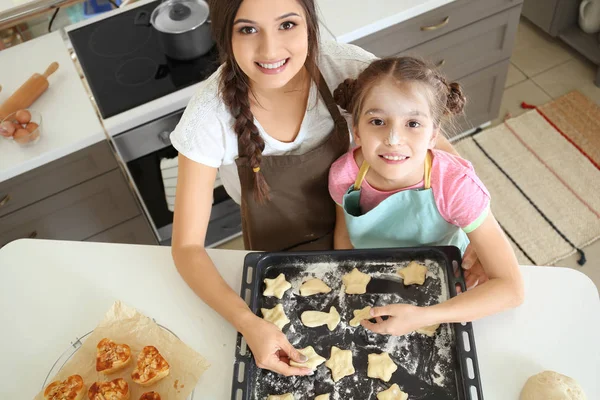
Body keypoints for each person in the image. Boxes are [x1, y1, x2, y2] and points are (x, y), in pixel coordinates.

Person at [169, 0, 482, 376]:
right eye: (248, 29)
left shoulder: (345, 69)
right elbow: (187, 248)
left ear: (310, 23)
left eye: (287, 24)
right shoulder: (208, 116)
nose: (270, 50)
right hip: (281, 247)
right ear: (225, 35)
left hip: (366, 231)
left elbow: (435, 150)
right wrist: (249, 323)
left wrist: (476, 231)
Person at [328, 56, 524, 335]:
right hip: (376, 284)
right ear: (357, 131)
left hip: (447, 290)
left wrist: (424, 316)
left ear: (434, 134)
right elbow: (344, 239)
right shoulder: (343, 177)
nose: (393, 139)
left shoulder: (455, 186)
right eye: (378, 121)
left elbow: (511, 288)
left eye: (413, 124)